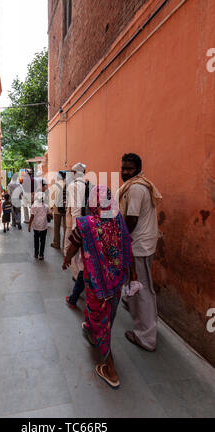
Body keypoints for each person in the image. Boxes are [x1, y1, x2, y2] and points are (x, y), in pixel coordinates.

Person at [63, 186, 132, 388]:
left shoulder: (87, 224)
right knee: (108, 317)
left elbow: (74, 244)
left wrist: (66, 259)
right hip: (116, 282)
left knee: (102, 323)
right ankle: (94, 332)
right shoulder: (118, 222)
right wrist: (131, 273)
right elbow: (128, 245)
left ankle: (110, 369)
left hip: (96, 286)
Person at [119, 153, 162, 352]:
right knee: (138, 287)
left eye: (129, 168)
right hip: (144, 244)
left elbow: (132, 219)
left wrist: (120, 239)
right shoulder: (141, 184)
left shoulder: (135, 188)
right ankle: (137, 311)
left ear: (137, 169)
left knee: (142, 289)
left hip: (139, 246)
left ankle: (146, 337)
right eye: (123, 168)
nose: (125, 172)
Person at [64, 162, 89, 308]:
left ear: (75, 173)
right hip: (87, 223)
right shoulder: (88, 185)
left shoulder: (73, 186)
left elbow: (74, 209)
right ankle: (81, 279)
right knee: (83, 256)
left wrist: (74, 227)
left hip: (76, 223)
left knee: (74, 255)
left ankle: (76, 277)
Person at [28, 191, 52, 260]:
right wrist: (50, 213)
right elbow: (50, 215)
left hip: (36, 226)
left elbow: (32, 216)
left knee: (36, 240)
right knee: (43, 240)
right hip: (43, 226)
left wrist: (29, 226)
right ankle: (41, 254)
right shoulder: (46, 206)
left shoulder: (33, 206)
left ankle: (36, 253)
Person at [50, 171, 66, 250]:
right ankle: (65, 244)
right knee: (66, 228)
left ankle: (56, 243)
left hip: (57, 209)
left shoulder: (55, 185)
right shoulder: (67, 184)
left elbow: (52, 197)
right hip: (65, 208)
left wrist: (51, 208)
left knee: (56, 227)